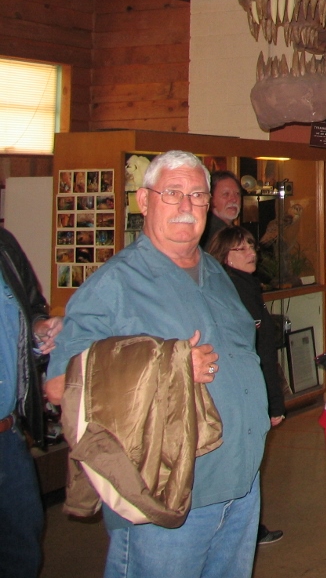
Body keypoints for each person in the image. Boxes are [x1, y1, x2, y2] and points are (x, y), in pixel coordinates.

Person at [45, 150, 271, 578]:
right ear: (145, 201)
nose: (187, 207)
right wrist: (167, 368)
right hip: (167, 496)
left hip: (241, 488)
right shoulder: (115, 284)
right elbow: (60, 383)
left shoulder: (215, 272)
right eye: (173, 193)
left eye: (198, 195)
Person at [206, 225, 285, 545]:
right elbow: (256, 352)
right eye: (242, 249)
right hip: (241, 396)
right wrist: (273, 402)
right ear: (224, 255)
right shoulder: (232, 291)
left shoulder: (243, 286)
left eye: (252, 246)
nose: (252, 253)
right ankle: (237, 531)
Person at [1, 228, 62, 578]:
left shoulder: (4, 244)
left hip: (8, 437)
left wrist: (40, 328)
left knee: (21, 549)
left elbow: (31, 306)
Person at [200, 169, 242, 251]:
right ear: (210, 199)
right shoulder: (213, 235)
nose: (234, 199)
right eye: (226, 194)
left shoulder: (228, 231)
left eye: (237, 194)